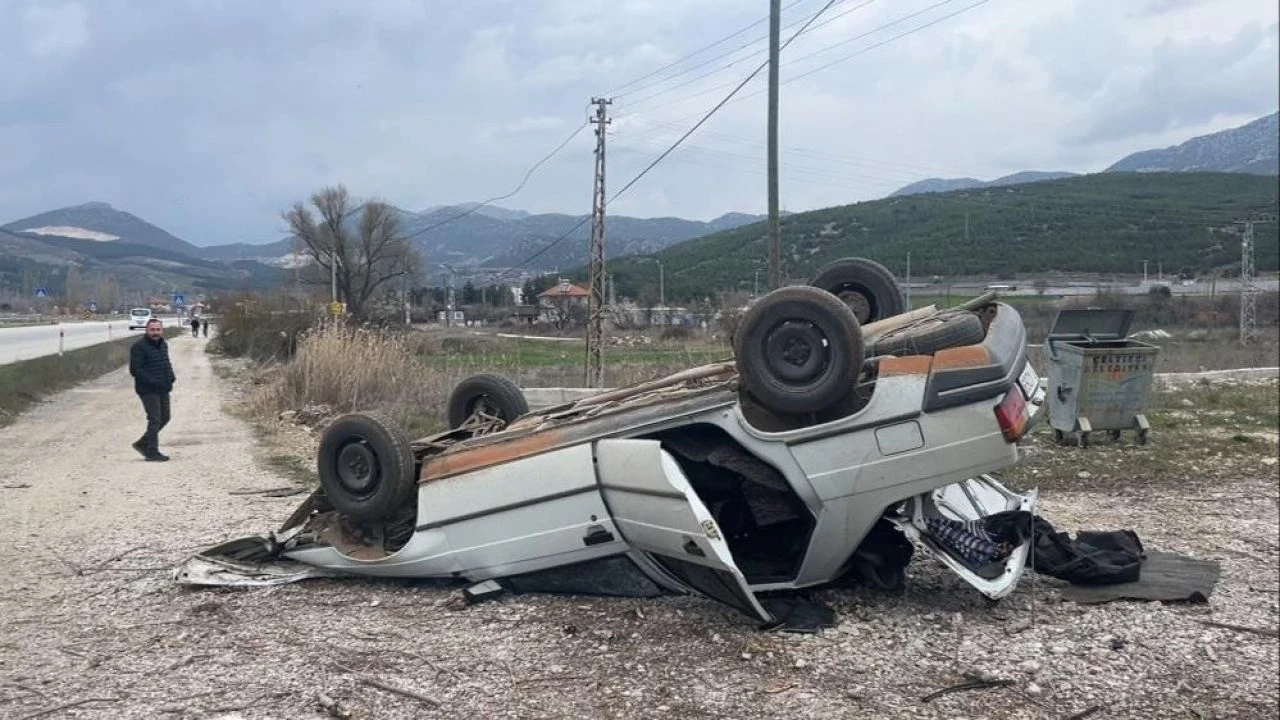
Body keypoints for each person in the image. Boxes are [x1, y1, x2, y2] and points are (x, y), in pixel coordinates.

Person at [130, 318, 176, 461]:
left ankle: (143, 443)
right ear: (147, 330)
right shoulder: (139, 347)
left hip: (163, 387)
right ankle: (152, 452)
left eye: (158, 329)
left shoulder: (163, 345)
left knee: (165, 417)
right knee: (155, 418)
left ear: (162, 330)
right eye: (152, 330)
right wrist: (153, 381)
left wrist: (171, 377)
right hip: (147, 389)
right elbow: (135, 369)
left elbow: (166, 363)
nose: (155, 332)